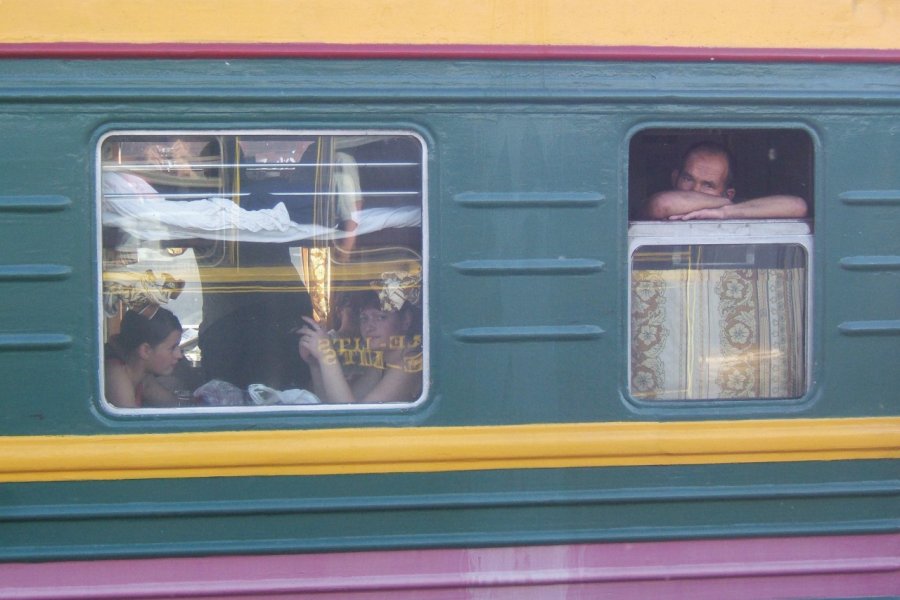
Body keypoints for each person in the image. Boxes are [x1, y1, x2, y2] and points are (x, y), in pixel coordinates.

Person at [297, 270, 422, 404]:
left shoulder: (409, 364)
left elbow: (350, 416)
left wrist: (326, 354)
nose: (369, 327)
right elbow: (332, 405)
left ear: (406, 320)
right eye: (364, 318)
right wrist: (315, 364)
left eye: (381, 317)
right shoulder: (381, 362)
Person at [643, 141, 808, 220]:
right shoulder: (723, 202)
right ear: (674, 178)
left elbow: (797, 206)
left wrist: (726, 212)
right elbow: (662, 204)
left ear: (728, 194)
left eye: (708, 185)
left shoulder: (728, 207)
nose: (694, 191)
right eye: (688, 179)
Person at [104, 307, 184, 408]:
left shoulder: (141, 375)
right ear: (145, 350)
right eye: (172, 348)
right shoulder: (115, 374)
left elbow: (172, 404)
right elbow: (130, 422)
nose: (179, 355)